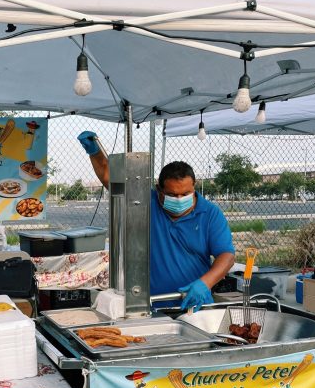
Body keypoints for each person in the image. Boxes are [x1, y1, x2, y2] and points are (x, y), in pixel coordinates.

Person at [77, 131, 235, 311]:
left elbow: (226, 256)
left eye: (185, 194)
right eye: (172, 194)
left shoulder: (210, 213)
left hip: (194, 304)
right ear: (159, 190)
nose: (179, 199)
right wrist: (95, 152)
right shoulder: (145, 203)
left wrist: (205, 284)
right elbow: (109, 179)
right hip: (151, 305)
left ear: (194, 187)